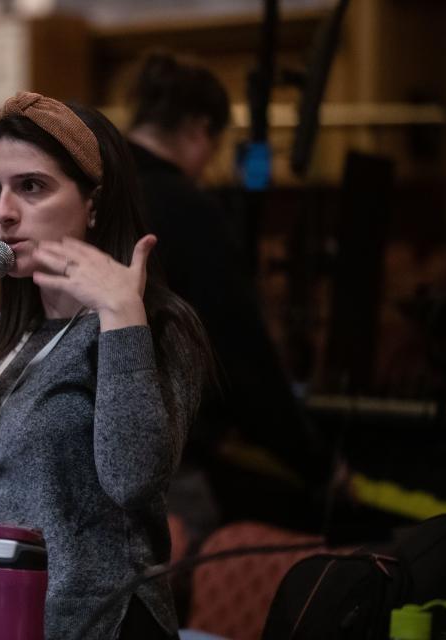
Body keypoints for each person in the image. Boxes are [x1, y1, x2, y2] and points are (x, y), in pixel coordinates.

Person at [0, 92, 211, 638]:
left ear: (94, 204)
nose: (3, 211)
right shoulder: (1, 334)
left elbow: (132, 481)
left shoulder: (156, 327)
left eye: (31, 187)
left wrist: (121, 314)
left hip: (96, 626)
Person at [125, 51, 330, 529]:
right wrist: (315, 462)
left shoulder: (86, 189)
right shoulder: (189, 209)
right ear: (199, 130)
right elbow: (241, 354)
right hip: (163, 465)